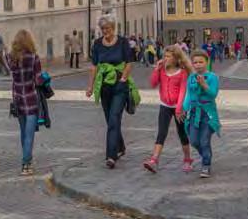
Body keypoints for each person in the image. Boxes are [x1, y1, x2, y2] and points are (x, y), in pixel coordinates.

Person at [85, 14, 132, 169]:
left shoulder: (123, 42)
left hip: (119, 85)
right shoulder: (97, 44)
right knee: (110, 120)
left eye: (108, 28)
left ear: (114, 28)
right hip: (104, 85)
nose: (105, 31)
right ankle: (121, 146)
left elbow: (129, 63)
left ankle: (111, 156)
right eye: (103, 28)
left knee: (114, 118)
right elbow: (94, 66)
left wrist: (124, 78)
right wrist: (90, 86)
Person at [143, 45, 193, 173]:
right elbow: (153, 84)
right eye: (164, 56)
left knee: (182, 133)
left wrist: (179, 108)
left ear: (176, 58)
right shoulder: (162, 70)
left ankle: (187, 159)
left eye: (168, 56)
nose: (165, 59)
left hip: (178, 107)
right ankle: (154, 159)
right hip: (164, 105)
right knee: (161, 132)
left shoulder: (182, 73)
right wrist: (156, 69)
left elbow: (183, 91)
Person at [7, 29, 42, 176]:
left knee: (23, 132)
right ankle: (26, 163)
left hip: (18, 99)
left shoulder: (10, 58)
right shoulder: (34, 58)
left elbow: (8, 69)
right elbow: (38, 80)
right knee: (30, 134)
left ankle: (27, 162)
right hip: (31, 99)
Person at [183, 50, 220, 179]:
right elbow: (188, 94)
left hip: (207, 114)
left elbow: (213, 94)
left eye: (201, 62)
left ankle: (206, 164)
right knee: (194, 141)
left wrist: (204, 85)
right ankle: (206, 154)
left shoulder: (213, 77)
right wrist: (184, 108)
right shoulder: (191, 78)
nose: (198, 65)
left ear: (206, 62)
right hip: (193, 113)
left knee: (204, 140)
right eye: (195, 62)